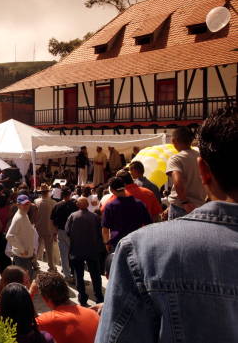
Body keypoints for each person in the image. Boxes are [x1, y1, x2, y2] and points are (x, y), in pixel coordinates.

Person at [96, 106, 238, 342]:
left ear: (204, 170)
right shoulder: (148, 194)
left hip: (184, 218)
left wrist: (183, 202)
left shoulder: (141, 249)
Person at [35, 271, 99, 343]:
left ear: (46, 298)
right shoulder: (92, 313)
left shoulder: (49, 319)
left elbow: (23, 330)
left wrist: (29, 293)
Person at [65, 197, 104, 307]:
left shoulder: (73, 216)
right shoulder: (95, 217)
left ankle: (82, 298)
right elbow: (99, 232)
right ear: (87, 205)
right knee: (95, 275)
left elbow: (67, 231)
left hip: (77, 250)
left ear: (78, 205)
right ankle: (99, 297)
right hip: (92, 249)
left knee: (79, 275)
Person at [101, 177, 151, 252]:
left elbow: (105, 229)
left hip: (118, 243)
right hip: (136, 241)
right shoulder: (139, 203)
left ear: (111, 190)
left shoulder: (110, 206)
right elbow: (148, 224)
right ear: (124, 186)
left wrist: (107, 243)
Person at [166, 126, 206, 219]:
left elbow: (177, 181)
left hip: (180, 206)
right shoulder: (200, 157)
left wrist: (185, 202)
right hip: (199, 206)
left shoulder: (176, 158)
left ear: (174, 141)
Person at [6, 194, 38, 278]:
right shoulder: (19, 217)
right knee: (24, 280)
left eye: (28, 204)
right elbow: (9, 236)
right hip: (21, 256)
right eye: (24, 204)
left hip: (25, 255)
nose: (26, 206)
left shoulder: (24, 214)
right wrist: (22, 249)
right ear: (18, 205)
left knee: (25, 280)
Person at [50, 188, 77, 282]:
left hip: (61, 231)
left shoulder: (57, 205)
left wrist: (54, 232)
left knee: (64, 254)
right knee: (73, 253)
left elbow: (52, 220)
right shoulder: (74, 205)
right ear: (69, 195)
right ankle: (74, 273)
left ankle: (67, 275)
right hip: (72, 232)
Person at [34, 184, 56, 272]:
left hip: (38, 228)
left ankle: (34, 263)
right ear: (48, 192)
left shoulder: (36, 201)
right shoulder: (53, 203)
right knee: (49, 249)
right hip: (49, 228)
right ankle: (51, 266)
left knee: (37, 247)